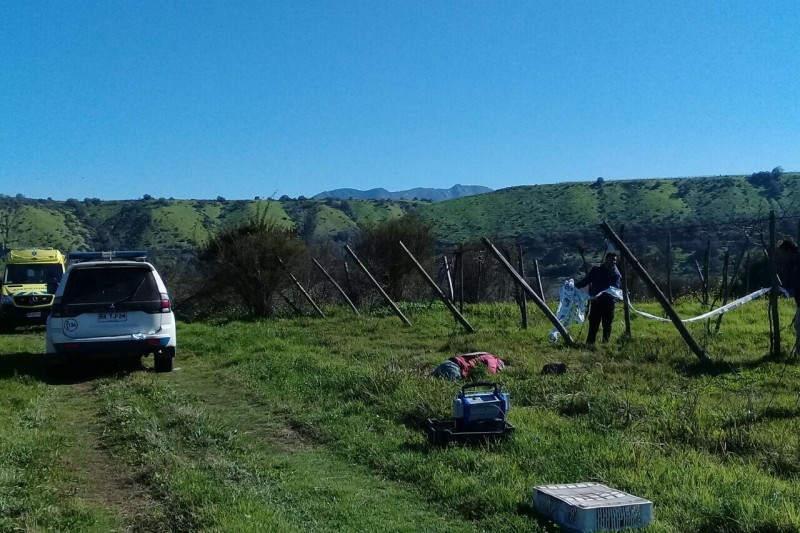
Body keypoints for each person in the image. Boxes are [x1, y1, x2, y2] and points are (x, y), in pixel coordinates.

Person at [575, 251, 622, 344]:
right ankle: (590, 343)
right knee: (593, 323)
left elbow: (615, 288)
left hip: (609, 303)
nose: (613, 262)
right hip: (596, 302)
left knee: (607, 324)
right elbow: (586, 281)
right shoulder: (596, 270)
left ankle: (605, 344)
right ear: (606, 259)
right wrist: (575, 286)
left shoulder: (616, 274)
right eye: (612, 259)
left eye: (615, 260)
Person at [778, 239, 800, 353]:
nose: (783, 255)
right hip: (799, 300)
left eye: (784, 252)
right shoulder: (792, 263)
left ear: (790, 250)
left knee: (798, 325)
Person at [431, 352, 505, 381]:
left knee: (431, 381)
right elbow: (491, 371)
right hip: (454, 366)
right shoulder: (493, 359)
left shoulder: (484, 355)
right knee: (456, 387)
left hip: (448, 364)